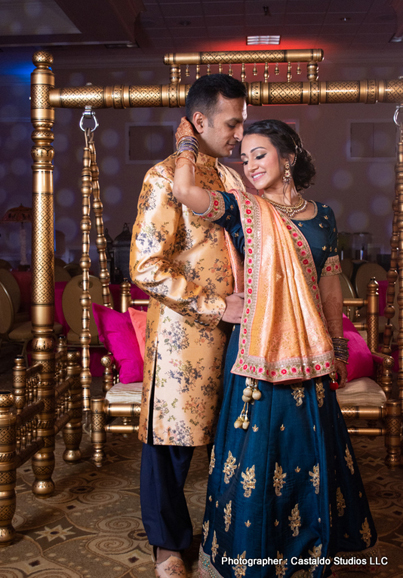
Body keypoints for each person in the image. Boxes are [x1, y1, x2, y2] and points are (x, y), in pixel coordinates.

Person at [172, 118, 378, 578]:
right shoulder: (243, 210)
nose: (249, 166)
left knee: (307, 455)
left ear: (288, 158)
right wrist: (186, 141)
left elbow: (328, 289)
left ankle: (306, 550)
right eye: (242, 158)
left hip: (309, 356)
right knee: (255, 460)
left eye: (259, 155)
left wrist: (339, 348)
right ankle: (250, 554)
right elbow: (184, 190)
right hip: (257, 355)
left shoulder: (323, 215)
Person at [130, 74, 247, 577]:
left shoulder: (233, 178)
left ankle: (226, 535)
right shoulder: (164, 178)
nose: (240, 134)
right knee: (170, 448)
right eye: (232, 123)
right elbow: (146, 267)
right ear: (200, 121)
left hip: (239, 335)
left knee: (233, 444)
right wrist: (218, 306)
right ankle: (168, 548)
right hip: (183, 340)